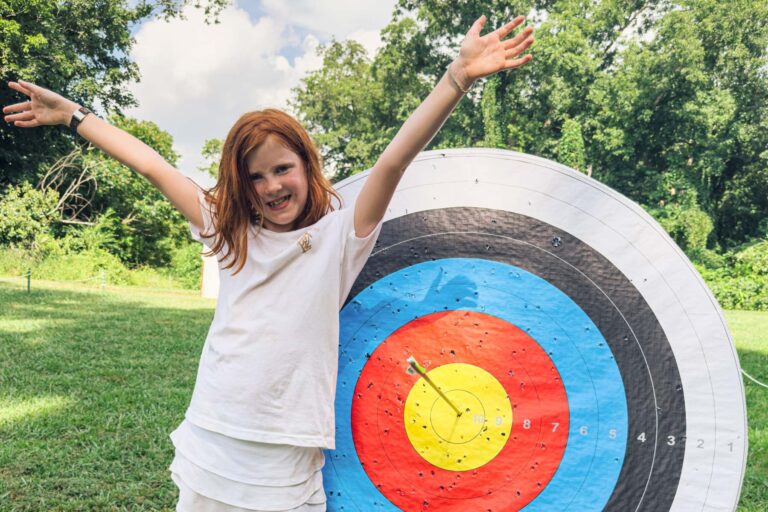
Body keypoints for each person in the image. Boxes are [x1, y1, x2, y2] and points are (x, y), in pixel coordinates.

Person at [3, 14, 534, 512]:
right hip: (212, 438)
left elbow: (393, 160)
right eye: (255, 178)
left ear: (307, 163)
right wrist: (73, 115)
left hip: (286, 454)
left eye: (282, 168)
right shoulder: (229, 231)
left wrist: (457, 77)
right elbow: (153, 166)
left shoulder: (340, 237)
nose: (271, 186)